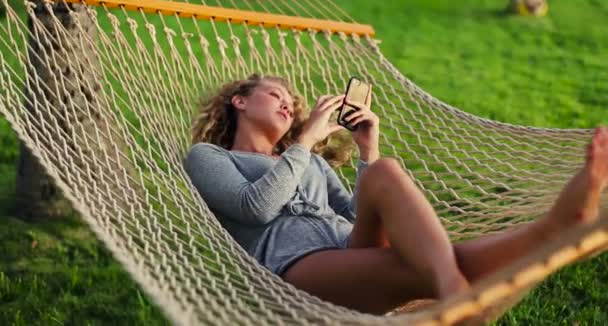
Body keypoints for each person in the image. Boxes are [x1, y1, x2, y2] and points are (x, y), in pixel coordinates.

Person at [184, 74, 608, 315]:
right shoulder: (208, 157)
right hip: (296, 270)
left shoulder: (308, 161)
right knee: (420, 266)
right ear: (239, 100)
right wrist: (305, 141)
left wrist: (369, 147)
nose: (288, 105)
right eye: (276, 94)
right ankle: (546, 236)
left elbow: (353, 212)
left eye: (292, 105)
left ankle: (457, 295)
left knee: (384, 170)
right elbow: (255, 208)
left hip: (349, 246)